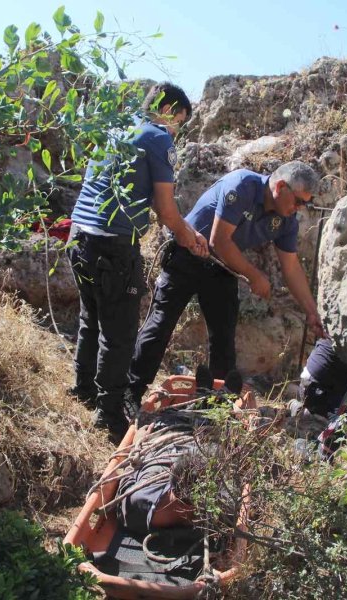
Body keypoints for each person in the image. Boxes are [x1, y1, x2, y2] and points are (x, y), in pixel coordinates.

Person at [67, 82, 208, 440]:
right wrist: (191, 239)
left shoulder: (116, 128)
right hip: (112, 246)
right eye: (181, 120)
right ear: (171, 112)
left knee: (92, 317)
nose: (178, 128)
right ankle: (109, 414)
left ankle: (83, 390)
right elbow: (166, 210)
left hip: (79, 235)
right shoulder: (159, 139)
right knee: (120, 333)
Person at [127, 161, 324, 403]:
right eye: (298, 201)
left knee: (223, 340)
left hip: (223, 268)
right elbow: (219, 241)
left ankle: (214, 407)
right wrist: (255, 276)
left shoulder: (286, 220)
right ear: (280, 186)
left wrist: (312, 312)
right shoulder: (242, 186)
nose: (299, 208)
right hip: (187, 254)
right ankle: (129, 393)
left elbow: (291, 267)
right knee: (161, 325)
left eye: (305, 203)